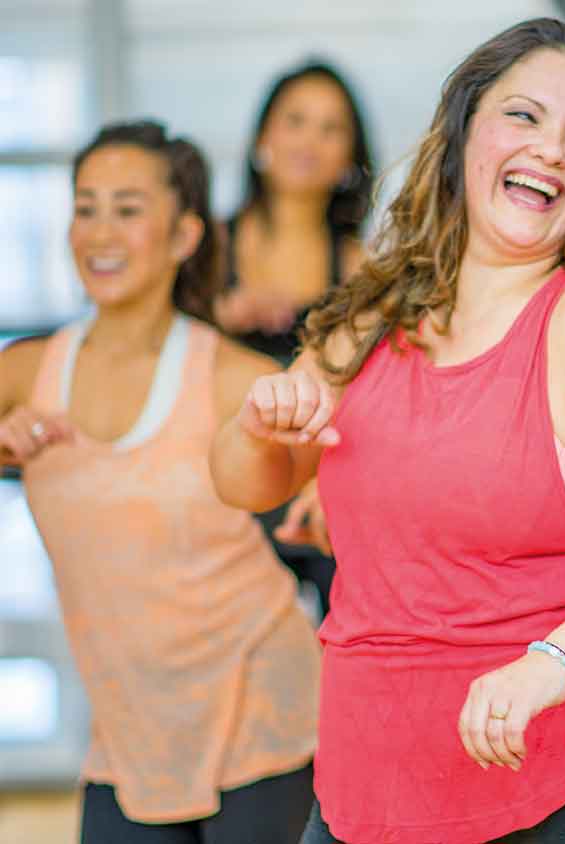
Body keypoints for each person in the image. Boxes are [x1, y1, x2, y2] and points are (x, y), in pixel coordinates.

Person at [208, 18, 565, 844]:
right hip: (362, 786)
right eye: (523, 117)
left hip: (557, 784)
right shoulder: (375, 314)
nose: (551, 150)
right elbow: (245, 485)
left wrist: (554, 664)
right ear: (462, 135)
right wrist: (258, 424)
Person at [0, 121, 320, 843]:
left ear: (183, 236)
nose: (99, 231)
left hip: (266, 709)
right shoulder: (25, 373)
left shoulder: (237, 377)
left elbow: (339, 487)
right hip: (129, 736)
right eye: (86, 207)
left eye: (127, 208)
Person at [215, 61, 375, 618]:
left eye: (331, 128)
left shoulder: (361, 265)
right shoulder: (207, 250)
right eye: (297, 121)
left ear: (351, 158)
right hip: (221, 484)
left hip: (319, 487)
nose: (310, 140)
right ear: (264, 136)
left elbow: (372, 393)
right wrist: (218, 314)